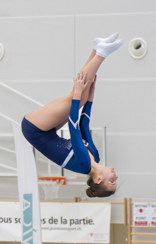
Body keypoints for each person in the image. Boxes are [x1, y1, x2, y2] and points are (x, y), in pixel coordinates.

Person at [22, 33, 122, 198]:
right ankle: (96, 49)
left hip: (34, 130)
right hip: (48, 132)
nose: (115, 176)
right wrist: (91, 97)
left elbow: (73, 128)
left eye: (111, 181)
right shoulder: (95, 156)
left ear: (98, 180)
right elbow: (83, 126)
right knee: (81, 98)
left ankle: (101, 53)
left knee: (76, 97)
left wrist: (77, 94)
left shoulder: (84, 164)